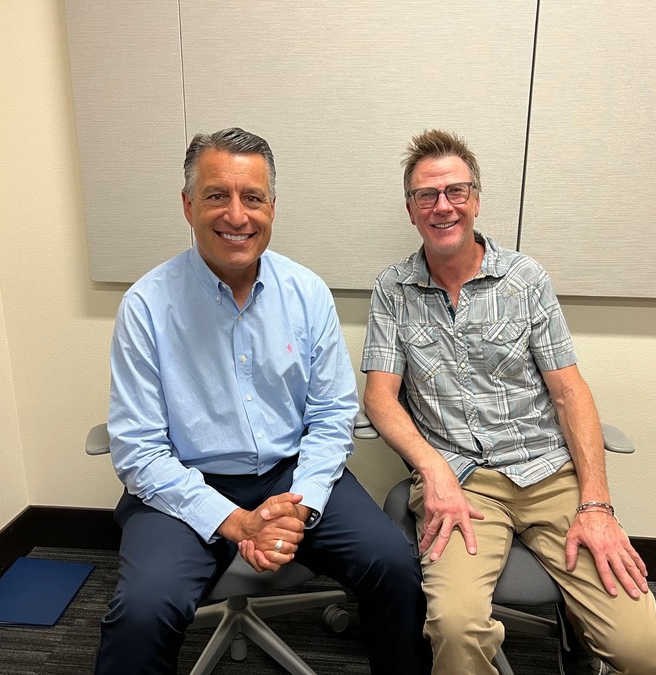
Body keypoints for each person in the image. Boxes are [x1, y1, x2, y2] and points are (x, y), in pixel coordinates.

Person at [95, 127, 429, 674]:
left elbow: (329, 419)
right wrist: (235, 521)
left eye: (252, 197)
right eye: (216, 196)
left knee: (394, 564)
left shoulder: (308, 293)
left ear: (272, 206)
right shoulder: (146, 306)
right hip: (184, 485)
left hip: (291, 475)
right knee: (141, 611)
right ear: (187, 206)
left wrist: (298, 506)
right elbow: (138, 451)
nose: (236, 214)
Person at [361, 129, 656, 675]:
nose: (443, 206)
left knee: (643, 653)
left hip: (549, 475)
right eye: (426, 196)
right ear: (410, 210)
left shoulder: (525, 279)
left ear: (476, 200)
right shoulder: (394, 289)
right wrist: (432, 468)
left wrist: (596, 503)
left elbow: (569, 390)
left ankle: (585, 627)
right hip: (461, 485)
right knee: (456, 630)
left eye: (455, 191)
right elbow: (381, 397)